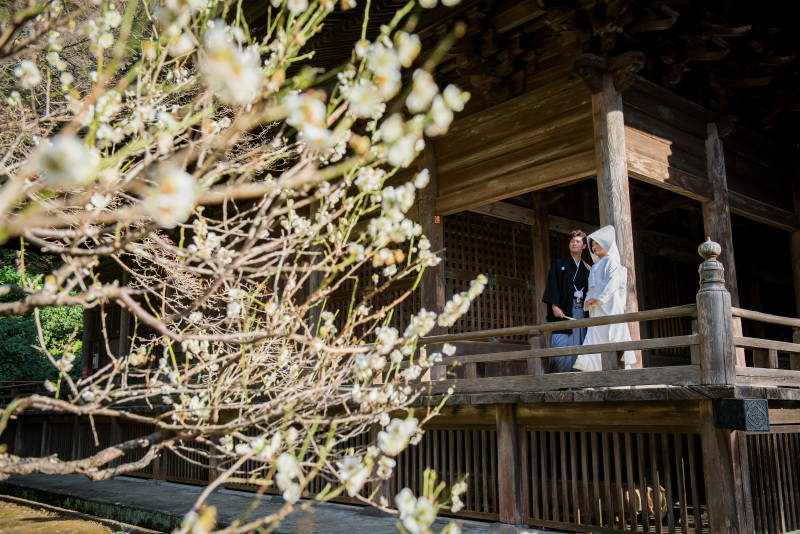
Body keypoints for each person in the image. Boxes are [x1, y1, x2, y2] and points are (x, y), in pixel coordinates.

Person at [574, 225, 637, 372]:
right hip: (597, 309)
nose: (594, 247)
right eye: (593, 245)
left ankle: (620, 377)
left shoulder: (612, 262)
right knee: (595, 338)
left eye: (598, 243)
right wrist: (590, 299)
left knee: (614, 337)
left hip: (610, 307)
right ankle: (594, 375)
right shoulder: (595, 267)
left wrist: (596, 298)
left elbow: (611, 283)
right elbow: (591, 288)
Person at [542, 230, 592, 372]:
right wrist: (554, 306)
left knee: (580, 342)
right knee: (562, 342)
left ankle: (578, 380)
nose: (574, 244)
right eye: (572, 241)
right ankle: (559, 382)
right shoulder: (560, 264)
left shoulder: (588, 269)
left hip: (581, 309)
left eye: (577, 241)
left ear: (584, 246)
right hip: (564, 308)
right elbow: (553, 285)